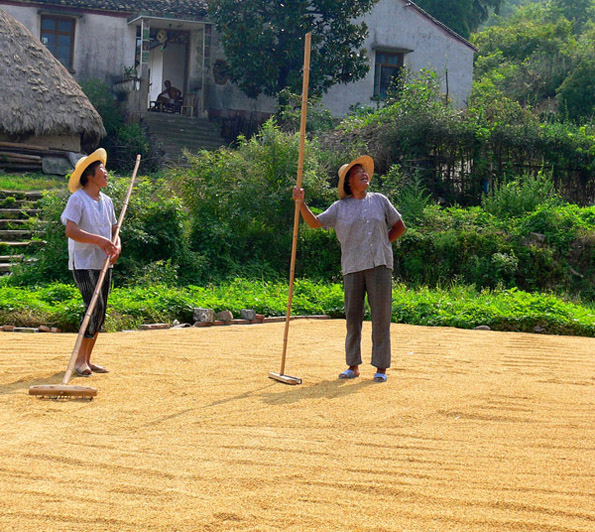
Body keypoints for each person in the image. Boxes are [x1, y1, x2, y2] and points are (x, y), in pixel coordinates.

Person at [293, 155, 406, 382]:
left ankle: (381, 368)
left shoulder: (380, 200)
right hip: (353, 267)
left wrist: (383, 244)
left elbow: (399, 226)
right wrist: (301, 203)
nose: (364, 174)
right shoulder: (339, 208)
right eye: (357, 173)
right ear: (348, 182)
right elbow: (315, 222)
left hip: (380, 264)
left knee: (381, 317)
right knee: (352, 317)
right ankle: (352, 366)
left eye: (364, 171)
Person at [60, 148, 120, 377]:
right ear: (89, 175)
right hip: (84, 262)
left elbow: (115, 229)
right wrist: (100, 241)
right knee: (92, 310)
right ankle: (78, 360)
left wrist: (117, 245)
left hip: (103, 261)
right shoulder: (78, 199)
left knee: (101, 312)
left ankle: (87, 359)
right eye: (101, 169)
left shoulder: (107, 201)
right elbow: (71, 230)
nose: (106, 172)